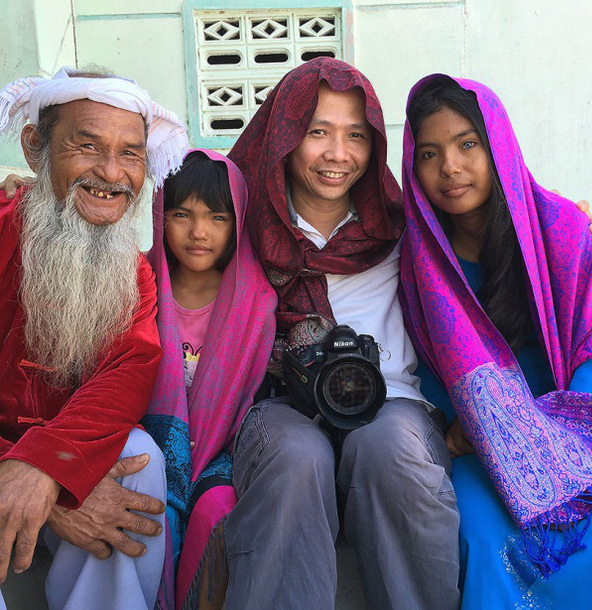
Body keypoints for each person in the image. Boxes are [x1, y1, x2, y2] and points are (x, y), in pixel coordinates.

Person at [224, 57, 461, 610]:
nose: (338, 155)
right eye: (317, 133)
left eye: (356, 136)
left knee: (388, 449)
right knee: (295, 454)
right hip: (280, 404)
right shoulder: (240, 220)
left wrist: (568, 221)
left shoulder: (406, 224)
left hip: (393, 404)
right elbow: (167, 253)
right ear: (285, 136)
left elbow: (495, 229)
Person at [399, 74, 592, 609]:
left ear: (498, 145)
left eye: (468, 145)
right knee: (488, 542)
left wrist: (564, 439)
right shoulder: (419, 265)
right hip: (482, 444)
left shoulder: (564, 230)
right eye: (430, 154)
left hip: (582, 433)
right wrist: (464, 433)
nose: (451, 168)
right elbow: (425, 372)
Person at [0, 67, 188, 609]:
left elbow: (125, 379)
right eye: (87, 146)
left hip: (43, 459)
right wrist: (33, 474)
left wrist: (49, 468)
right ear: (36, 147)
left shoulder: (136, 276)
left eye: (131, 154)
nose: (112, 174)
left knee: (140, 459)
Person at [141, 149, 276, 608]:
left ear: (236, 221)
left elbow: (247, 402)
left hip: (221, 451)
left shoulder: (254, 302)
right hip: (147, 448)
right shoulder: (139, 284)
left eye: (217, 217)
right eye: (182, 214)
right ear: (161, 213)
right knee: (148, 501)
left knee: (216, 510)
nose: (198, 233)